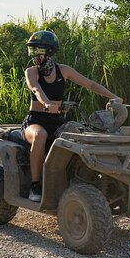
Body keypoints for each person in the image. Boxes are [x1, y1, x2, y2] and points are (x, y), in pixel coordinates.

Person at [22, 30, 122, 202]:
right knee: (40, 136)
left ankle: (82, 179)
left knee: (81, 135)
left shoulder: (64, 70)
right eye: (32, 51)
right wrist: (46, 103)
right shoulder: (31, 71)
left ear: (49, 51)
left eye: (37, 50)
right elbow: (36, 89)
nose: (34, 55)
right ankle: (35, 186)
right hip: (36, 121)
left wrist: (113, 96)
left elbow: (90, 84)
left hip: (57, 121)